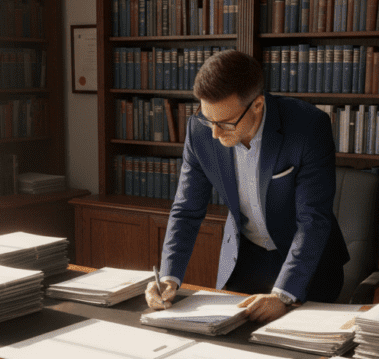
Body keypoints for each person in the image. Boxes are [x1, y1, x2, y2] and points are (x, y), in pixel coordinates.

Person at [145, 49, 348, 322]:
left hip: (306, 267)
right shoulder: (201, 131)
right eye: (208, 119)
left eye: (225, 124)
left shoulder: (308, 126)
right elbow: (186, 210)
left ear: (257, 105)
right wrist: (169, 277)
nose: (215, 134)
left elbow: (312, 219)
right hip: (245, 259)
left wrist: (283, 295)